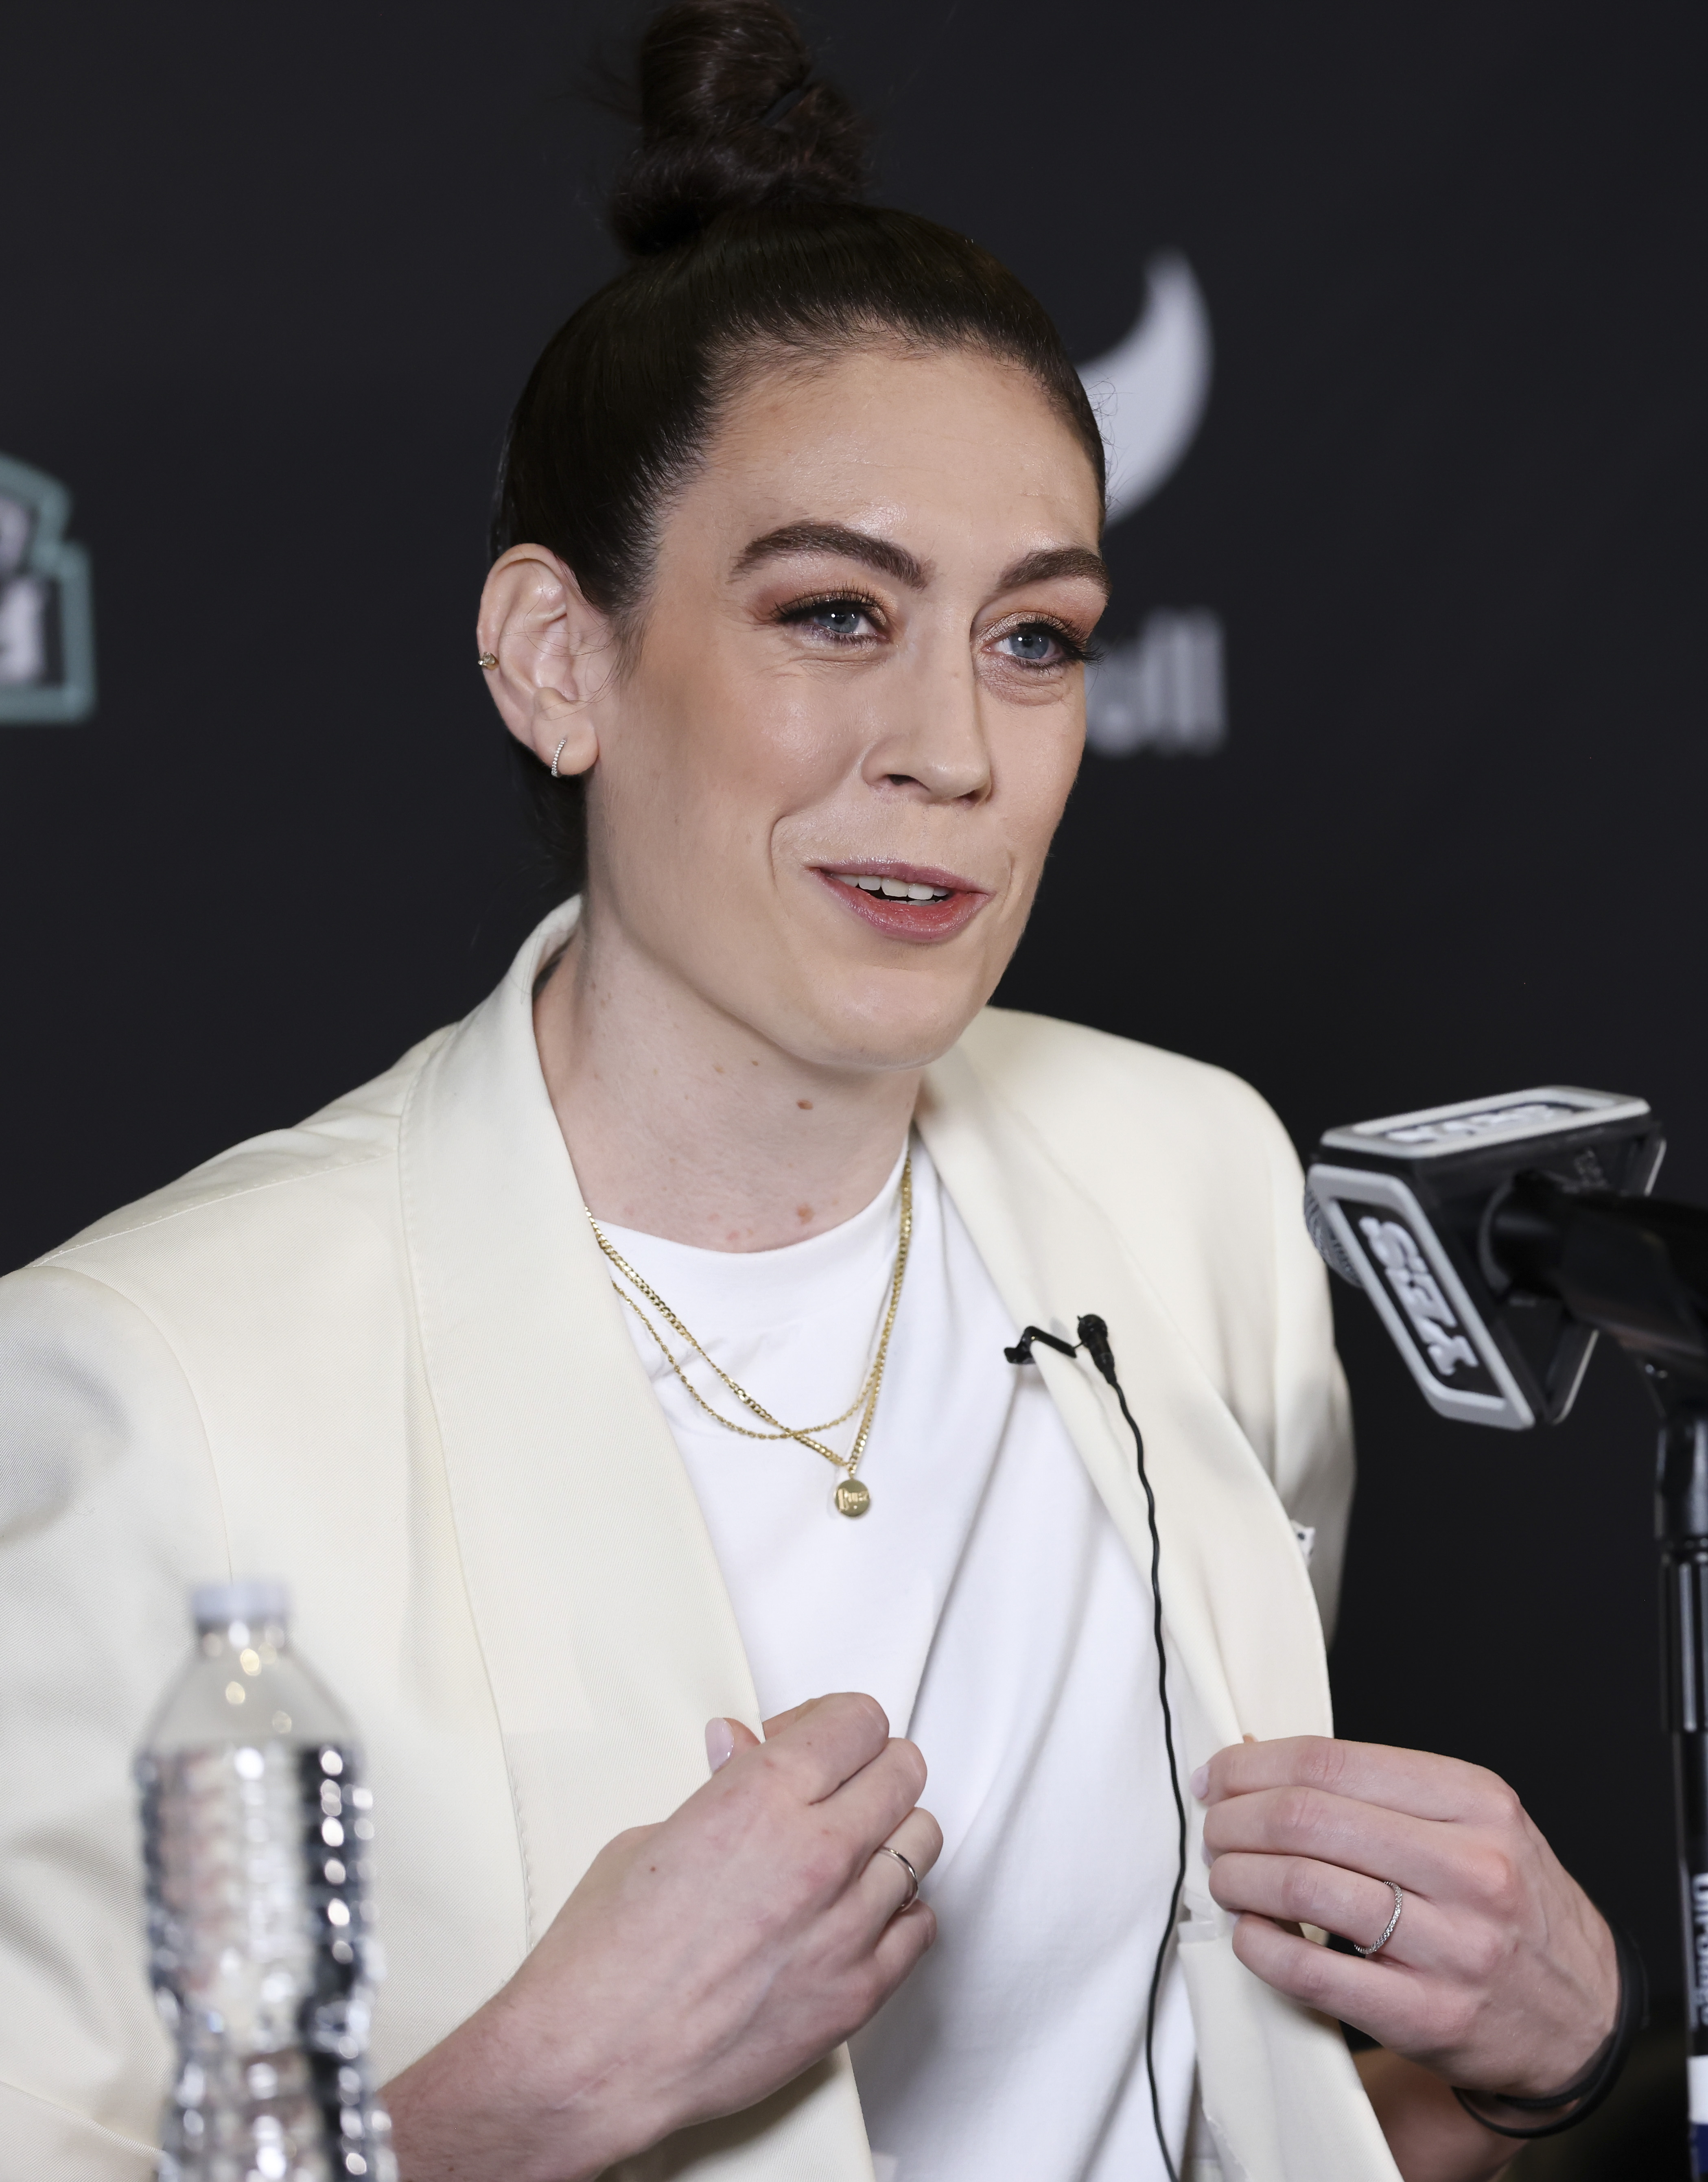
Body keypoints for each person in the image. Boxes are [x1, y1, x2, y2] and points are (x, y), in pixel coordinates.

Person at [0, 9, 1623, 2179]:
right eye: (835, 614)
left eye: (1034, 639)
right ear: (556, 660)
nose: (952, 748)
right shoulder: (150, 1377)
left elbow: (1225, 2081)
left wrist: (1543, 2056)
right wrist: (526, 2102)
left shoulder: (1188, 1187)